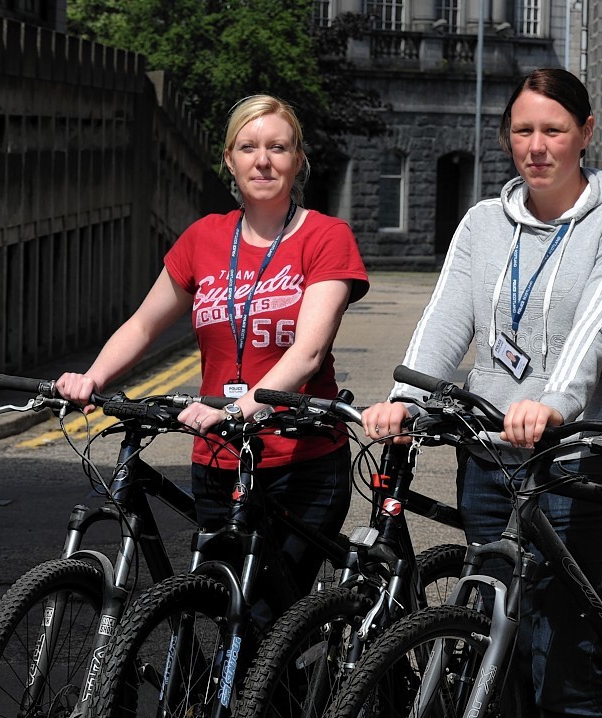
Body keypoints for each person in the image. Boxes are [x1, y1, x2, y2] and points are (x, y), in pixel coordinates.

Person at [361, 68, 602, 718]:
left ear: (586, 133)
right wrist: (406, 400)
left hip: (583, 461)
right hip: (494, 461)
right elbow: (447, 319)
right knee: (507, 655)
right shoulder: (485, 224)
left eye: (554, 130)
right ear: (507, 138)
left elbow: (599, 327)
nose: (537, 147)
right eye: (523, 132)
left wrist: (552, 404)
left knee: (563, 656)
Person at [56, 94, 368, 599]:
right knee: (222, 607)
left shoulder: (326, 237)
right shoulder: (204, 237)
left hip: (299, 462)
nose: (262, 160)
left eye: (277, 147)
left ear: (298, 160)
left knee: (268, 620)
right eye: (248, 147)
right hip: (218, 460)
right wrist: (93, 377)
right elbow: (142, 325)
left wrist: (245, 406)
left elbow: (308, 353)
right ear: (229, 159)